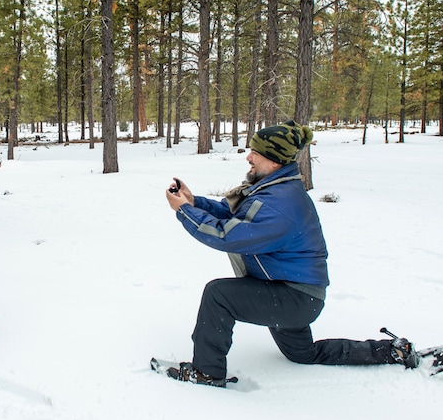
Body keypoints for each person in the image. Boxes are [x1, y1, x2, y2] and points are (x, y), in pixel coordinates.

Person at [164, 120, 418, 387]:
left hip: (294, 296)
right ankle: (392, 351)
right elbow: (236, 216)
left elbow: (230, 236)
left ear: (274, 161)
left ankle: (206, 373)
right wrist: (194, 203)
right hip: (297, 295)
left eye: (255, 152)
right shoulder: (276, 188)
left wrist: (184, 212)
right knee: (303, 354)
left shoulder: (280, 203)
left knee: (219, 295)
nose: (248, 157)